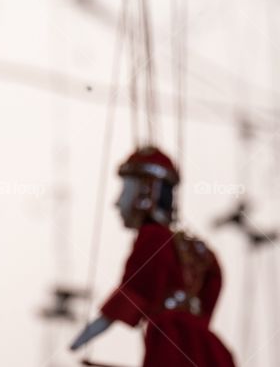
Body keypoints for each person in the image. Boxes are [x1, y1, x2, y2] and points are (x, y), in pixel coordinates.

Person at [70, 146, 236, 367]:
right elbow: (210, 294)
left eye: (124, 192)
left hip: (171, 343)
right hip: (206, 349)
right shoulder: (196, 247)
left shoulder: (154, 237)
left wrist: (92, 330)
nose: (117, 203)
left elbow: (135, 289)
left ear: (144, 193)